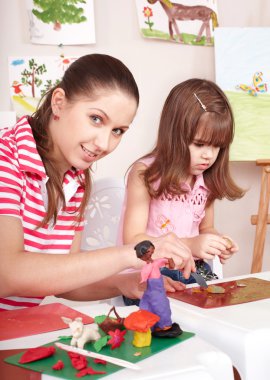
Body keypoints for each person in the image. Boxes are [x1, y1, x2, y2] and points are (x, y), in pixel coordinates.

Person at [0, 54, 194, 311]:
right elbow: (7, 275)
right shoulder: (6, 156)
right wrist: (136, 251)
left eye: (117, 131)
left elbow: (65, 280)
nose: (104, 144)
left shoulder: (76, 177)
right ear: (59, 103)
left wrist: (125, 283)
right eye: (96, 119)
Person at [119, 78, 245, 296]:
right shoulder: (145, 175)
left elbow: (206, 228)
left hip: (193, 270)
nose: (209, 155)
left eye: (217, 146)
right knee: (175, 318)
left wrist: (216, 242)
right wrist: (191, 245)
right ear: (174, 135)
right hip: (149, 273)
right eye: (199, 144)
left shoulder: (204, 180)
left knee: (222, 304)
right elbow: (133, 241)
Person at [135, 240, 182, 338]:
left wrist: (170, 261)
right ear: (143, 255)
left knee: (155, 306)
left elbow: (165, 261)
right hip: (153, 290)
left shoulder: (155, 263)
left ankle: (155, 325)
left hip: (158, 289)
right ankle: (163, 325)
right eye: (149, 252)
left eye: (152, 251)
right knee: (161, 306)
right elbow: (142, 282)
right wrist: (143, 285)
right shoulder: (146, 268)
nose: (151, 253)